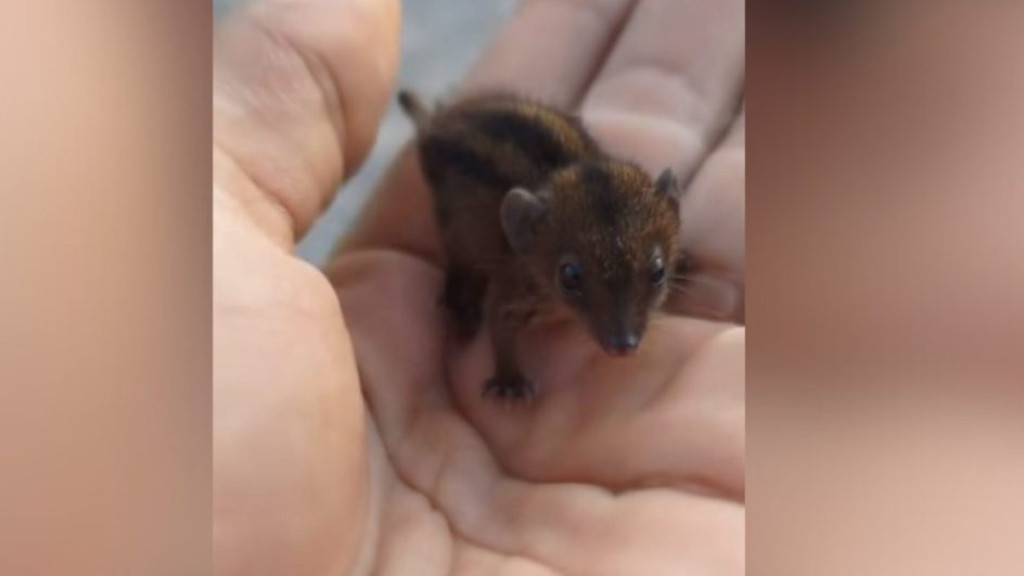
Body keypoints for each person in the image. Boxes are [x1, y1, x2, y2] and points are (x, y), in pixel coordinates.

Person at [213, 0, 744, 572]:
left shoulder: (608, 220)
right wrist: (507, 371)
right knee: (468, 256)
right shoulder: (529, 260)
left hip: (503, 153)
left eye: (656, 276)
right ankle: (460, 277)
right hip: (460, 160)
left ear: (671, 218)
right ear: (526, 232)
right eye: (574, 281)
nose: (622, 336)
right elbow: (506, 316)